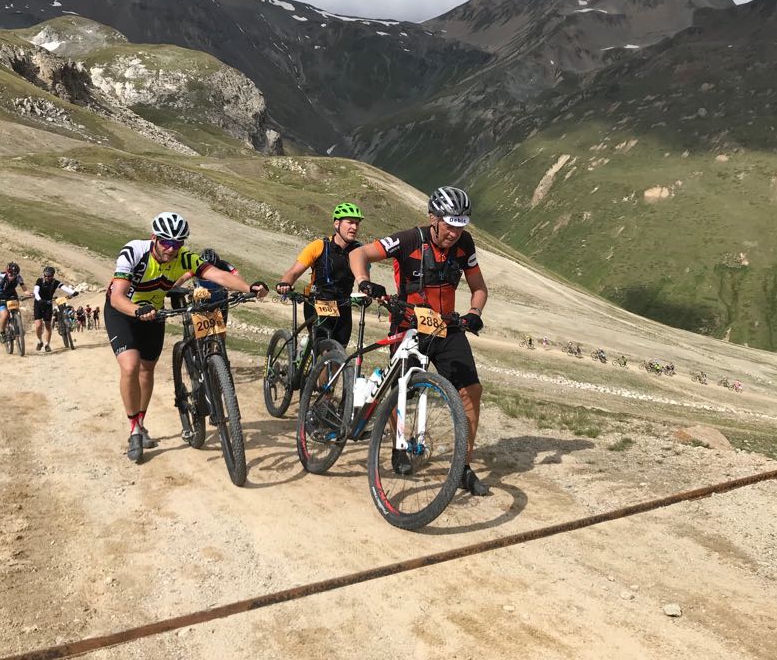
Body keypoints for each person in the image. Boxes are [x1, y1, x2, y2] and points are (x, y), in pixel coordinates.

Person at [350, 186, 491, 497]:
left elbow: (479, 287)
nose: (454, 233)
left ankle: (463, 467)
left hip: (446, 326)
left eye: (460, 226)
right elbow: (359, 254)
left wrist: (474, 312)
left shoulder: (465, 244)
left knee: (471, 390)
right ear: (433, 218)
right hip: (409, 324)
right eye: (449, 225)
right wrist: (364, 281)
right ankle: (399, 446)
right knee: (401, 391)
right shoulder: (409, 239)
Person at [105, 211, 268, 464]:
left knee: (147, 370)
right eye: (166, 242)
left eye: (177, 243)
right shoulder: (134, 251)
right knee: (130, 366)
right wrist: (137, 310)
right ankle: (134, 430)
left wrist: (249, 287)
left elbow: (217, 274)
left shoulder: (184, 257)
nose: (171, 248)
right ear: (154, 238)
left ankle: (142, 422)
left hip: (154, 313)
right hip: (124, 312)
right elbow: (117, 296)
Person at [275, 202, 365, 347]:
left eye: (357, 223)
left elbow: (363, 277)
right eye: (350, 222)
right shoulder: (319, 245)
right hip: (317, 302)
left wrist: (365, 294)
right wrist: (285, 284)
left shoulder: (360, 250)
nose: (354, 227)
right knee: (322, 347)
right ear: (337, 224)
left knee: (340, 350)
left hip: (343, 305)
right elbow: (294, 271)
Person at [32, 266, 77, 351]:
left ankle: (47, 344)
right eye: (45, 275)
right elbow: (36, 291)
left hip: (48, 304)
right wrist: (39, 299)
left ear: (52, 276)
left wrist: (73, 292)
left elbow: (64, 288)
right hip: (39, 303)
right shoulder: (40, 281)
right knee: (38, 325)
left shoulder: (55, 282)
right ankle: (39, 341)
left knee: (48, 325)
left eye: (49, 276)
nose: (47, 277)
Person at [0, 262, 27, 340]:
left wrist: (30, 294)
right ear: (7, 271)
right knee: (5, 315)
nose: (11, 275)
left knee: (17, 311)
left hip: (12, 295)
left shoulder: (18, 277)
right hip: (1, 296)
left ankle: (18, 326)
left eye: (13, 274)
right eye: (9, 273)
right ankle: (2, 333)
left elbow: (24, 289)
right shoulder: (0, 277)